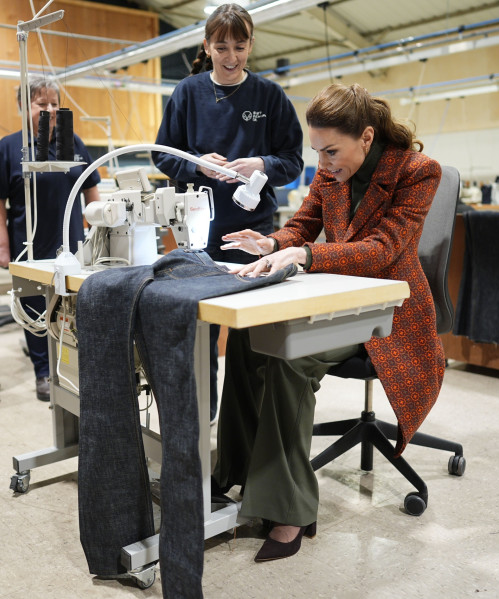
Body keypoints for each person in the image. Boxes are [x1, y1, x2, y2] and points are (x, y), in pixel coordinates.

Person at [213, 83, 445, 562]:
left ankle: (290, 510)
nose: (324, 161)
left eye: (332, 150)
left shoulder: (418, 171)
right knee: (244, 338)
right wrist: (274, 243)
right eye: (316, 150)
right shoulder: (332, 168)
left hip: (390, 313)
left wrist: (306, 254)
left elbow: (384, 251)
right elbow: (304, 224)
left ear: (365, 135)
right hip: (337, 300)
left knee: (290, 358)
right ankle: (239, 473)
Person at [152, 3, 304, 422]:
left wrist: (262, 165)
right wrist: (196, 164)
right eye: (222, 47)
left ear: (252, 44)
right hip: (195, 230)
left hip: (252, 231)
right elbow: (161, 155)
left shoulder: (269, 96)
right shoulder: (188, 92)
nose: (232, 56)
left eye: (240, 46)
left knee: (254, 327)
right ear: (207, 45)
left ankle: (252, 418)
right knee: (200, 326)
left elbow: (292, 160)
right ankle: (203, 415)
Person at [0, 78, 100, 401]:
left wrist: (97, 229)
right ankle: (43, 372)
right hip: (29, 244)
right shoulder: (8, 148)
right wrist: (2, 244)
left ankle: (75, 367)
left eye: (53, 103)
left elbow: (91, 188)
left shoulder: (73, 142)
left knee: (74, 309)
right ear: (24, 107)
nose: (48, 110)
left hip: (73, 245)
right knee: (34, 310)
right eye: (40, 104)